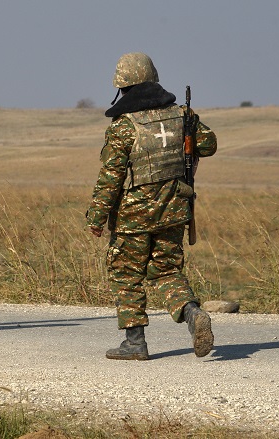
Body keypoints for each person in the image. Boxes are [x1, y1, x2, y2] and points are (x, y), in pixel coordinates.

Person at [85, 53, 217, 360]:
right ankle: (192, 312)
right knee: (167, 270)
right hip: (174, 208)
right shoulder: (181, 115)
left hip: (133, 217)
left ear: (122, 86)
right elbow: (209, 145)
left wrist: (97, 216)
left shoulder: (124, 126)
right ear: (153, 78)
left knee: (126, 272)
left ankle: (135, 342)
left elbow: (111, 177)